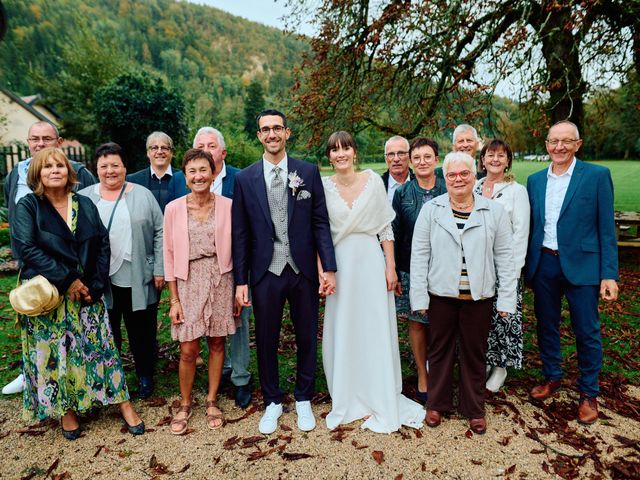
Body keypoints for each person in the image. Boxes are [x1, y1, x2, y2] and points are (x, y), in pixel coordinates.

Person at [12, 147, 143, 439]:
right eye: (47, 167)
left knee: (102, 350)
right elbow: (27, 248)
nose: (54, 170)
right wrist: (68, 280)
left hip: (87, 295)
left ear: (69, 172)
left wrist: (95, 287)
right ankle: (66, 411)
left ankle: (123, 404)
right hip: (50, 297)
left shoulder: (84, 203)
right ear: (38, 174)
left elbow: (103, 244)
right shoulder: (29, 206)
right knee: (54, 355)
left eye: (59, 165)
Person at [232, 109, 337, 435]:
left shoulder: (307, 171)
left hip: (302, 269)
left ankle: (304, 396)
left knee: (307, 335)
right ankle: (273, 400)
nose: (272, 134)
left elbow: (320, 222)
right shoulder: (245, 179)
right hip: (265, 271)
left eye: (277, 128)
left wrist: (328, 268)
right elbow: (240, 234)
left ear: (287, 133)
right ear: (259, 135)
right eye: (266, 129)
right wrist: (240, 280)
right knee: (266, 339)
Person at [322, 131, 425, 433]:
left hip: (370, 260)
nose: (341, 154)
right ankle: (347, 391)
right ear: (329, 156)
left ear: (355, 152)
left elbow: (385, 228)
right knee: (344, 325)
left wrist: (390, 267)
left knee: (373, 324)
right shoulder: (324, 187)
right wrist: (323, 270)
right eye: (334, 150)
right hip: (339, 265)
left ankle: (377, 387)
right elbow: (320, 233)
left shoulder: (373, 181)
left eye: (346, 148)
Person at [410, 152, 516, 434]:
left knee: (474, 353)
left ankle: (474, 408)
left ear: (474, 175)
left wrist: (506, 298)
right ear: (445, 178)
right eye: (452, 175)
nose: (458, 179)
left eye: (464, 174)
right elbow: (419, 256)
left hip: (478, 298)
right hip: (441, 296)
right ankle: (436, 403)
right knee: (440, 350)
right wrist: (419, 297)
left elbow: (505, 257)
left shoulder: (493, 211)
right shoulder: (431, 210)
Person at [526, 120, 618, 425]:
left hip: (584, 266)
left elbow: (606, 229)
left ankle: (588, 392)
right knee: (546, 325)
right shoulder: (535, 181)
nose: (559, 147)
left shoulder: (596, 176)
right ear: (547, 145)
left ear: (578, 144)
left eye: (567, 141)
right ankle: (552, 376)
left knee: (587, 330)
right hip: (545, 263)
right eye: (554, 141)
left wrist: (609, 274)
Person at [2, 121, 96, 396]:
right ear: (28, 142)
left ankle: (79, 380)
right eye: (34, 139)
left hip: (73, 267)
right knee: (38, 321)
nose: (40, 144)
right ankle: (29, 372)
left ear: (59, 141)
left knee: (74, 328)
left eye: (46, 138)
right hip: (33, 264)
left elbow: (91, 216)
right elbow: (16, 219)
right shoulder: (16, 174)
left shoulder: (79, 172)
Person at [80, 143, 164, 399]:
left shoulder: (142, 194)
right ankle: (110, 378)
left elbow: (160, 232)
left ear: (125, 167)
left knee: (142, 329)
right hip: (99, 278)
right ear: (96, 169)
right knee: (107, 329)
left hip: (138, 273)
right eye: (104, 166)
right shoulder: (84, 198)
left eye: (115, 165)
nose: (110, 171)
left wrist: (159, 268)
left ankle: (145, 376)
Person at [164, 148, 239, 434]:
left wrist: (236, 290)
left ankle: (210, 399)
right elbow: (169, 256)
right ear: (185, 177)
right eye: (192, 171)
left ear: (213, 173)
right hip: (188, 281)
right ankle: (184, 403)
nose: (198, 176)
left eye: (203, 170)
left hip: (221, 279)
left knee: (217, 343)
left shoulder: (229, 206)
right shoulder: (173, 209)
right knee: (188, 348)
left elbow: (238, 249)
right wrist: (174, 300)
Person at [193, 127, 252, 408]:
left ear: (223, 152)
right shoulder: (186, 179)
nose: (206, 149)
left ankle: (240, 376)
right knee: (210, 322)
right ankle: (222, 368)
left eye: (212, 145)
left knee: (238, 320)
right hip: (201, 268)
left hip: (236, 264)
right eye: (200, 145)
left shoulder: (241, 179)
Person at [392, 137, 447, 404]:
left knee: (444, 323)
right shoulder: (402, 194)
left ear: (437, 160)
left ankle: (440, 374)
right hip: (411, 267)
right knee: (416, 323)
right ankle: (422, 378)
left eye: (427, 157)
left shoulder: (450, 188)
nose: (422, 162)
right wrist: (396, 270)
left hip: (445, 268)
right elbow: (395, 233)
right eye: (417, 158)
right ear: (411, 162)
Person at [473, 140, 530, 392]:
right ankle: (483, 360)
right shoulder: (472, 187)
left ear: (508, 160)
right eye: (490, 155)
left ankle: (500, 367)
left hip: (505, 267)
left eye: (500, 155)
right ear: (482, 160)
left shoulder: (516, 191)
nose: (495, 159)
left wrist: (513, 272)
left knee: (504, 317)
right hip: (477, 266)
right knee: (481, 317)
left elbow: (521, 232)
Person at [126, 131, 188, 213]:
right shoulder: (133, 180)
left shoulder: (184, 178)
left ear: (172, 153)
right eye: (154, 148)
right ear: (148, 153)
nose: (159, 152)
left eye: (164, 148)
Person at [381, 135, 414, 202]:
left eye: (401, 153)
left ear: (409, 156)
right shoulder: (377, 186)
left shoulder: (420, 183)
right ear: (385, 159)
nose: (396, 159)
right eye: (391, 154)